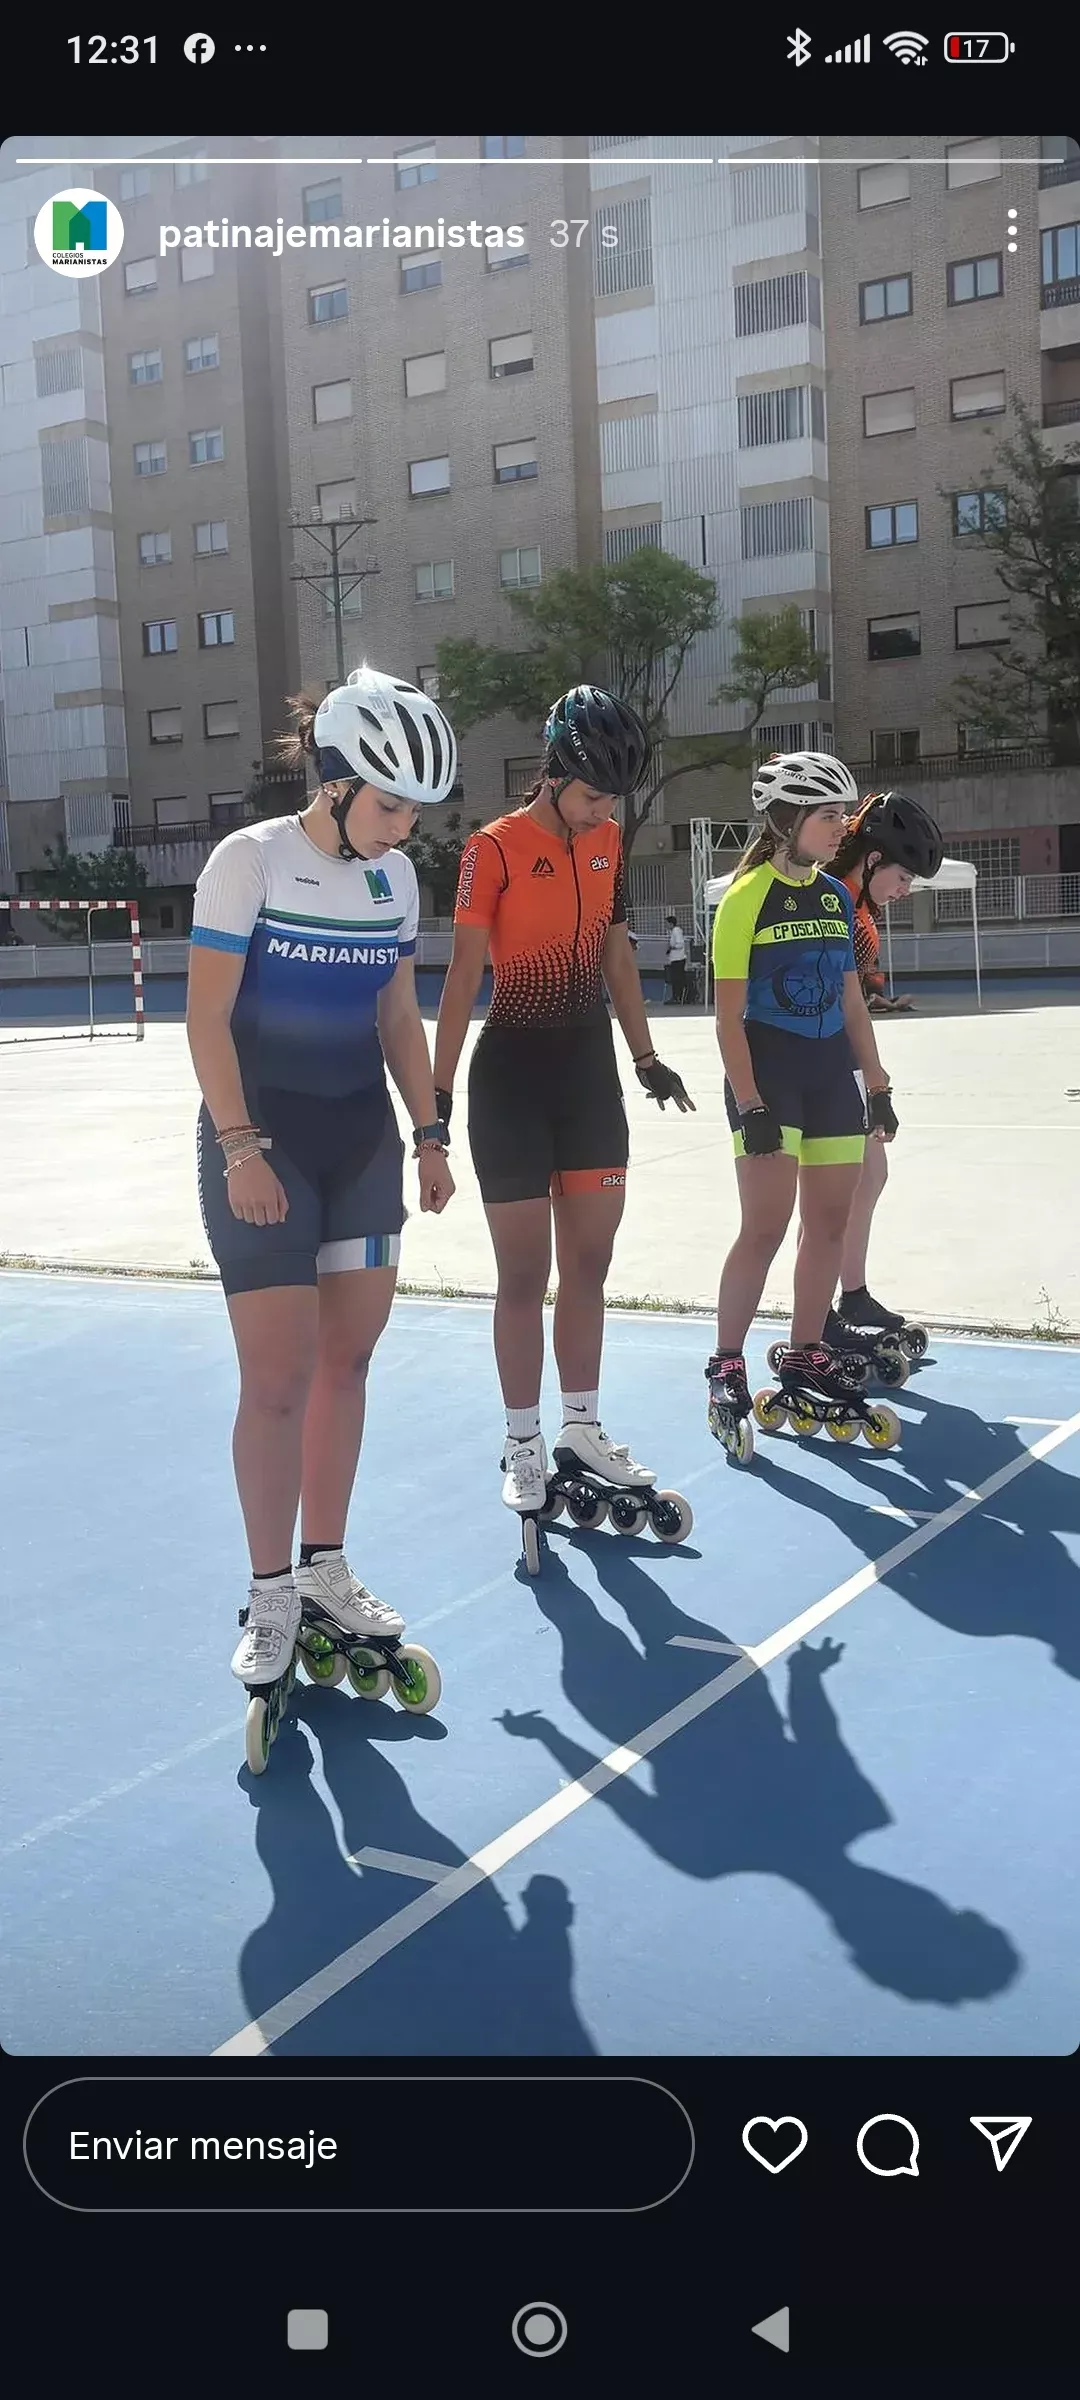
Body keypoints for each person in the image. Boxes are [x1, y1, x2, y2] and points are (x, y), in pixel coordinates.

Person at [185, 664, 457, 1696]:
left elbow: (397, 1017)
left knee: (348, 1366)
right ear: (336, 782)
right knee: (278, 1379)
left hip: (361, 1145)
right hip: (263, 1143)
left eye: (416, 811)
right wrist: (241, 1146)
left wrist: (430, 1134)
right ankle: (268, 1593)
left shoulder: (397, 880)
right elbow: (206, 1017)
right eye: (390, 804)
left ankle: (326, 1568)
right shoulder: (246, 861)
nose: (403, 827)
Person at [432, 683, 694, 1523]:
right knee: (524, 1275)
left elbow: (618, 954)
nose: (600, 810)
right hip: (510, 1079)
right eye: (589, 794)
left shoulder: (609, 839)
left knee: (590, 1265)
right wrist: (432, 1105)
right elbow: (463, 975)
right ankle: (521, 1442)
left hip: (588, 1080)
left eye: (611, 798)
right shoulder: (493, 848)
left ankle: (581, 1426)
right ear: (553, 775)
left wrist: (646, 1056)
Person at [703, 751, 900, 1457]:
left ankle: (806, 1349)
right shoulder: (744, 897)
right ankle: (726, 1361)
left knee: (829, 1223)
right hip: (769, 1079)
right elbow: (726, 1018)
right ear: (788, 819)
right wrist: (751, 1103)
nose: (841, 828)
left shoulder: (836, 897)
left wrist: (876, 1083)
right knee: (765, 1225)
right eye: (827, 816)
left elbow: (852, 999)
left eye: (844, 816)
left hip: (827, 1076)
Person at [823, 789, 943, 1362]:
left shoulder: (858, 909)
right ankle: (820, 1309)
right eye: (903, 876)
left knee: (869, 1178)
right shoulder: (833, 903)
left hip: (839, 1059)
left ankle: (850, 1295)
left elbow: (854, 997)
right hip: (813, 1063)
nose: (906, 890)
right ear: (871, 860)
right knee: (836, 1191)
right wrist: (877, 1085)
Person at [664, 911, 688, 1004]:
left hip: (678, 959)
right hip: (675, 959)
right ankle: (675, 996)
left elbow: (680, 944)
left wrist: (672, 947)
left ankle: (677, 997)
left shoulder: (676, 930)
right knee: (675, 979)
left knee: (677, 979)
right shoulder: (673, 932)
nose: (666, 925)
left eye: (667, 923)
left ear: (671, 923)